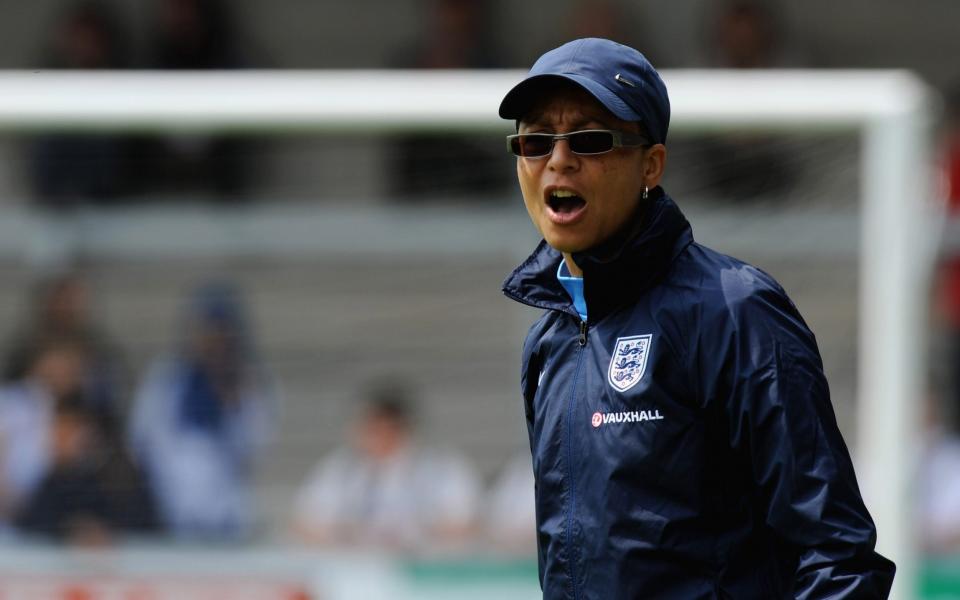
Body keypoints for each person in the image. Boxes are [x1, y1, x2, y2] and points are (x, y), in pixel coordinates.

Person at [498, 38, 895, 598]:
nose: (558, 160)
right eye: (536, 141)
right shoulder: (548, 340)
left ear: (651, 166)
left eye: (590, 139)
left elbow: (837, 554)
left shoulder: (735, 311)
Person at [128, 281, 275, 540]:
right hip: (169, 503)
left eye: (220, 333)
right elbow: (142, 438)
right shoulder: (168, 379)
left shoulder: (249, 383)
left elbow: (253, 445)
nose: (212, 341)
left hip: (225, 510)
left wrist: (232, 400)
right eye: (206, 331)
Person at [291, 378, 481, 553]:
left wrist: (410, 534)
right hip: (356, 571)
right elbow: (305, 524)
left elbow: (466, 525)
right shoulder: (340, 470)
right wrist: (351, 533)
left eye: (376, 427)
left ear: (394, 426)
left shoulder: (442, 468)